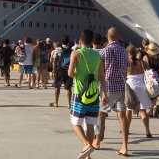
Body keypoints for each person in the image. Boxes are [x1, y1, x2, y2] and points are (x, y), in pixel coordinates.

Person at [68, 29, 104, 159]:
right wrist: (104, 94)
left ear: (81, 40)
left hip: (80, 93)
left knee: (75, 122)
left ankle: (86, 144)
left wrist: (78, 73)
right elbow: (102, 76)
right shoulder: (97, 56)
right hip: (94, 93)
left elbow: (70, 73)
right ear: (92, 41)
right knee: (90, 124)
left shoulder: (76, 53)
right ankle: (88, 156)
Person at [94, 27, 131, 156]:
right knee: (122, 117)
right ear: (118, 37)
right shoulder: (124, 51)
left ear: (107, 36)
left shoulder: (103, 52)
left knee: (101, 115)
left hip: (107, 88)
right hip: (121, 87)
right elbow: (127, 67)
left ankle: (97, 141)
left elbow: (100, 72)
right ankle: (125, 146)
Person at [125, 45, 153, 139]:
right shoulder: (141, 62)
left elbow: (124, 74)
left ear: (129, 53)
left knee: (128, 109)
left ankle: (127, 129)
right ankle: (148, 131)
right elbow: (147, 70)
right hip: (141, 86)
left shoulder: (127, 62)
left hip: (131, 86)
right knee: (143, 110)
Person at [51, 36, 73, 107]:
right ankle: (69, 104)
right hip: (69, 70)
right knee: (68, 87)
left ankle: (56, 102)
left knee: (57, 86)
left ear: (61, 42)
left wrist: (54, 71)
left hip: (60, 70)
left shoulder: (58, 49)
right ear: (68, 42)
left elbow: (54, 60)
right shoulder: (71, 49)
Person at [144, 42, 159, 118]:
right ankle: (151, 111)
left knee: (149, 94)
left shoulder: (146, 57)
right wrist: (157, 45)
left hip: (150, 77)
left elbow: (144, 66)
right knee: (155, 94)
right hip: (158, 76)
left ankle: (154, 107)